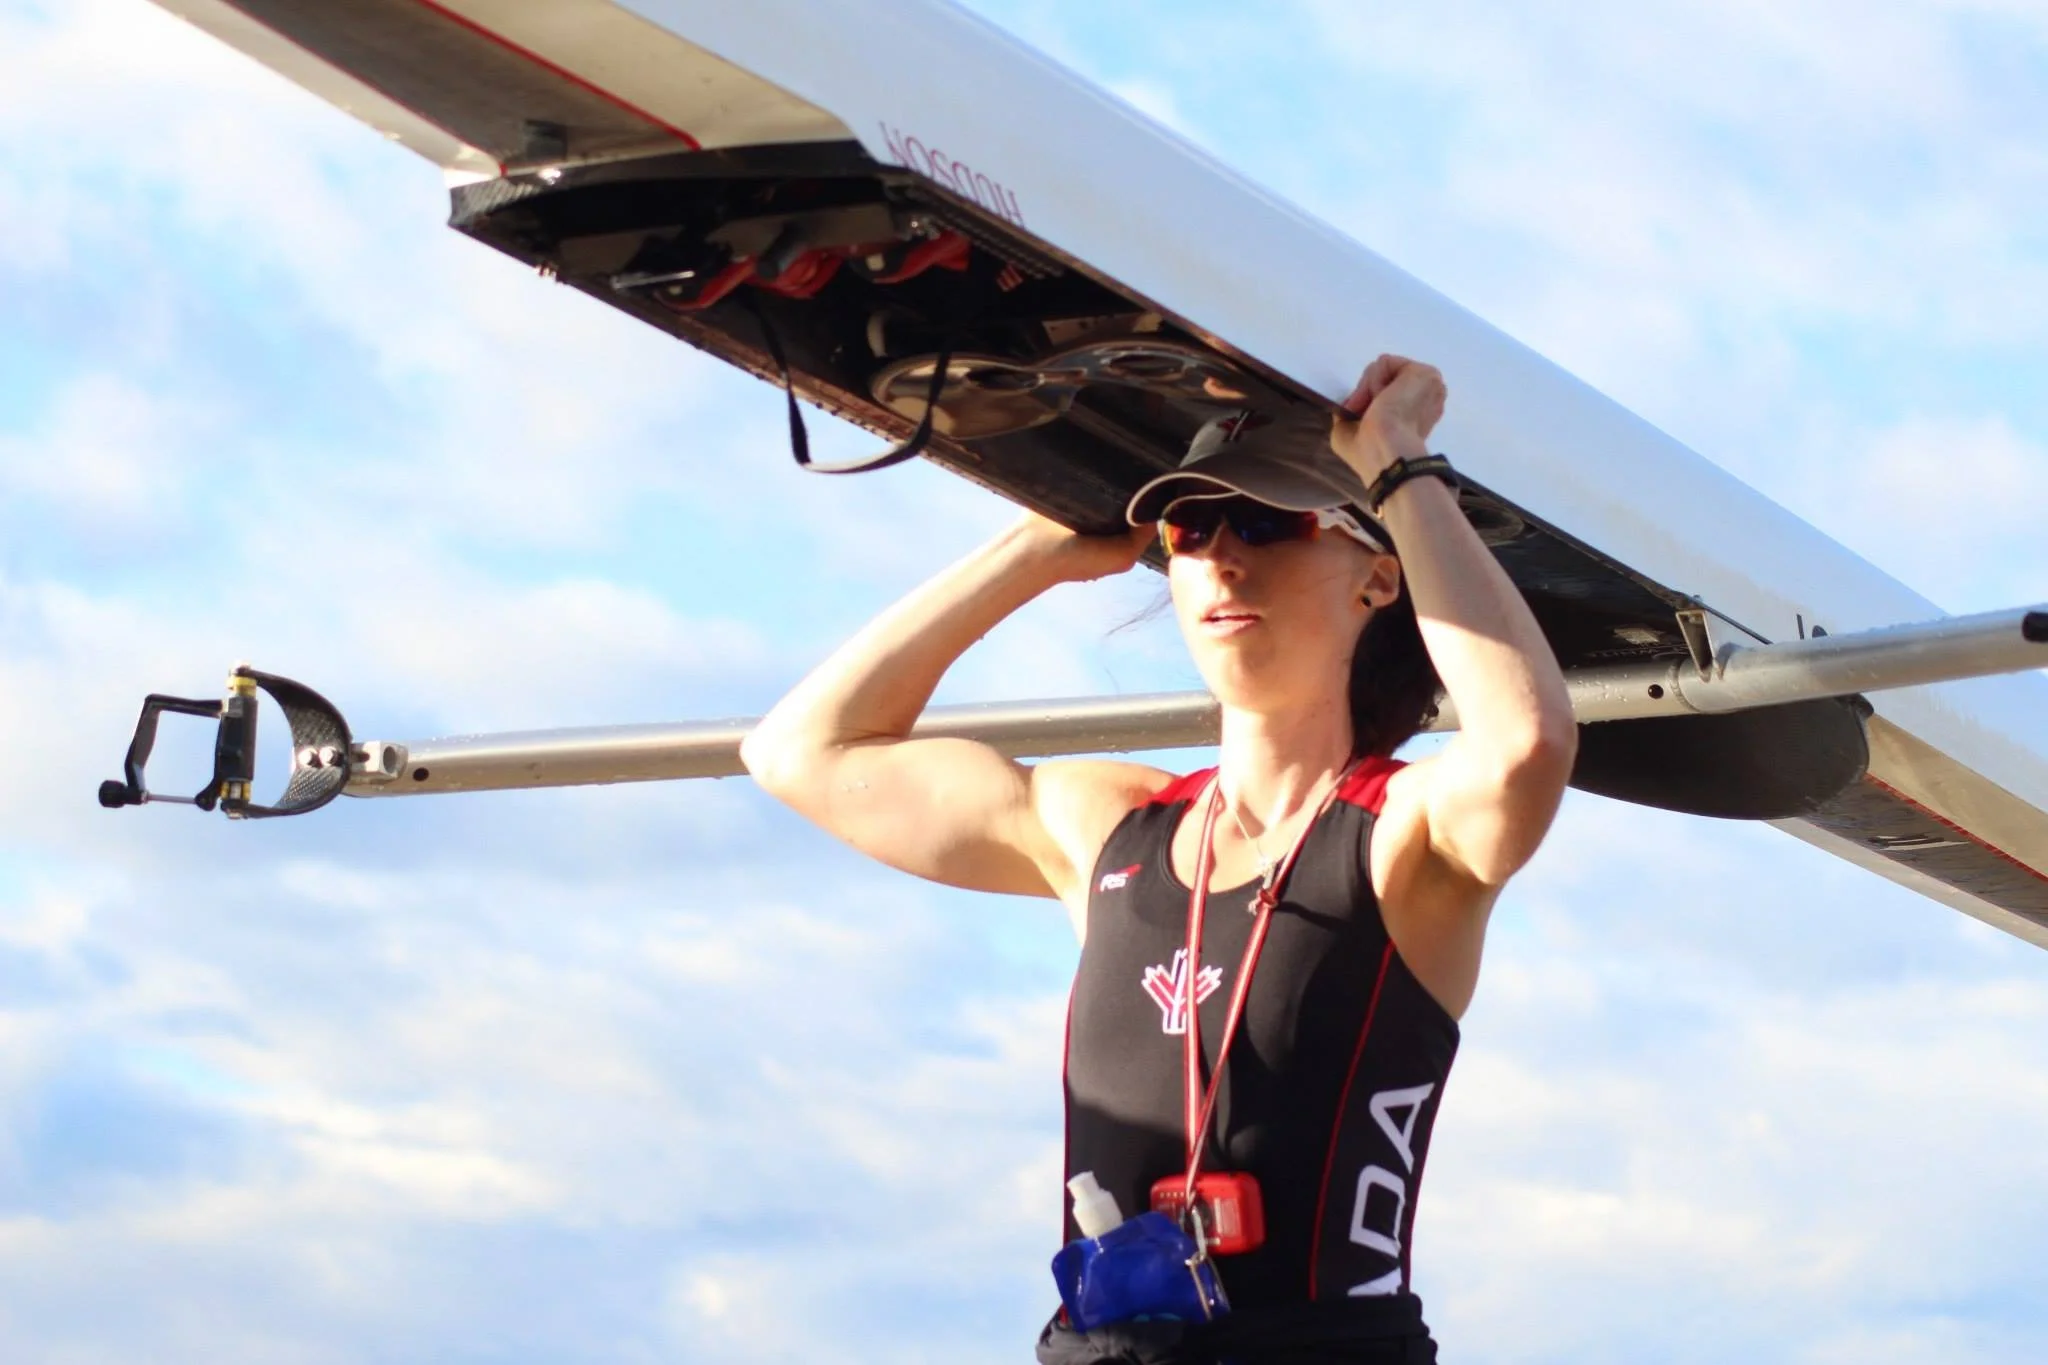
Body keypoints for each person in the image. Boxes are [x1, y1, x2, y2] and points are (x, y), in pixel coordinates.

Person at [741, 355, 1577, 1363]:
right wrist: (1034, 549)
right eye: (1190, 531)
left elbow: (1523, 742)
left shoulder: (1403, 833)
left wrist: (1400, 470)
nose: (1222, 559)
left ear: (1376, 572)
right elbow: (800, 754)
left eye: (1267, 523)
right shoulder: (1105, 824)